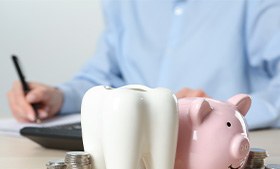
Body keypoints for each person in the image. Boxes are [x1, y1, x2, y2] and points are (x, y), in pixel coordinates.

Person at [7, 0, 280, 130]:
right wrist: (58, 97)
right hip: (132, 149)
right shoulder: (123, 4)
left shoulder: (254, 5)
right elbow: (102, 79)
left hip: (221, 151)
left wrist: (223, 112)